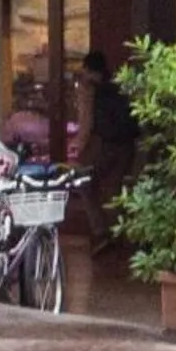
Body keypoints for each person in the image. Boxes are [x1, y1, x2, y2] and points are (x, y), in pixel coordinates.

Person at [75, 49, 136, 252]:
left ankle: (100, 232)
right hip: (127, 146)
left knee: (83, 180)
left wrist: (79, 150)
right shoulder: (120, 86)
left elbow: (87, 124)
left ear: (89, 70)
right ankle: (123, 237)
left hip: (105, 145)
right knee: (114, 191)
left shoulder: (91, 89)